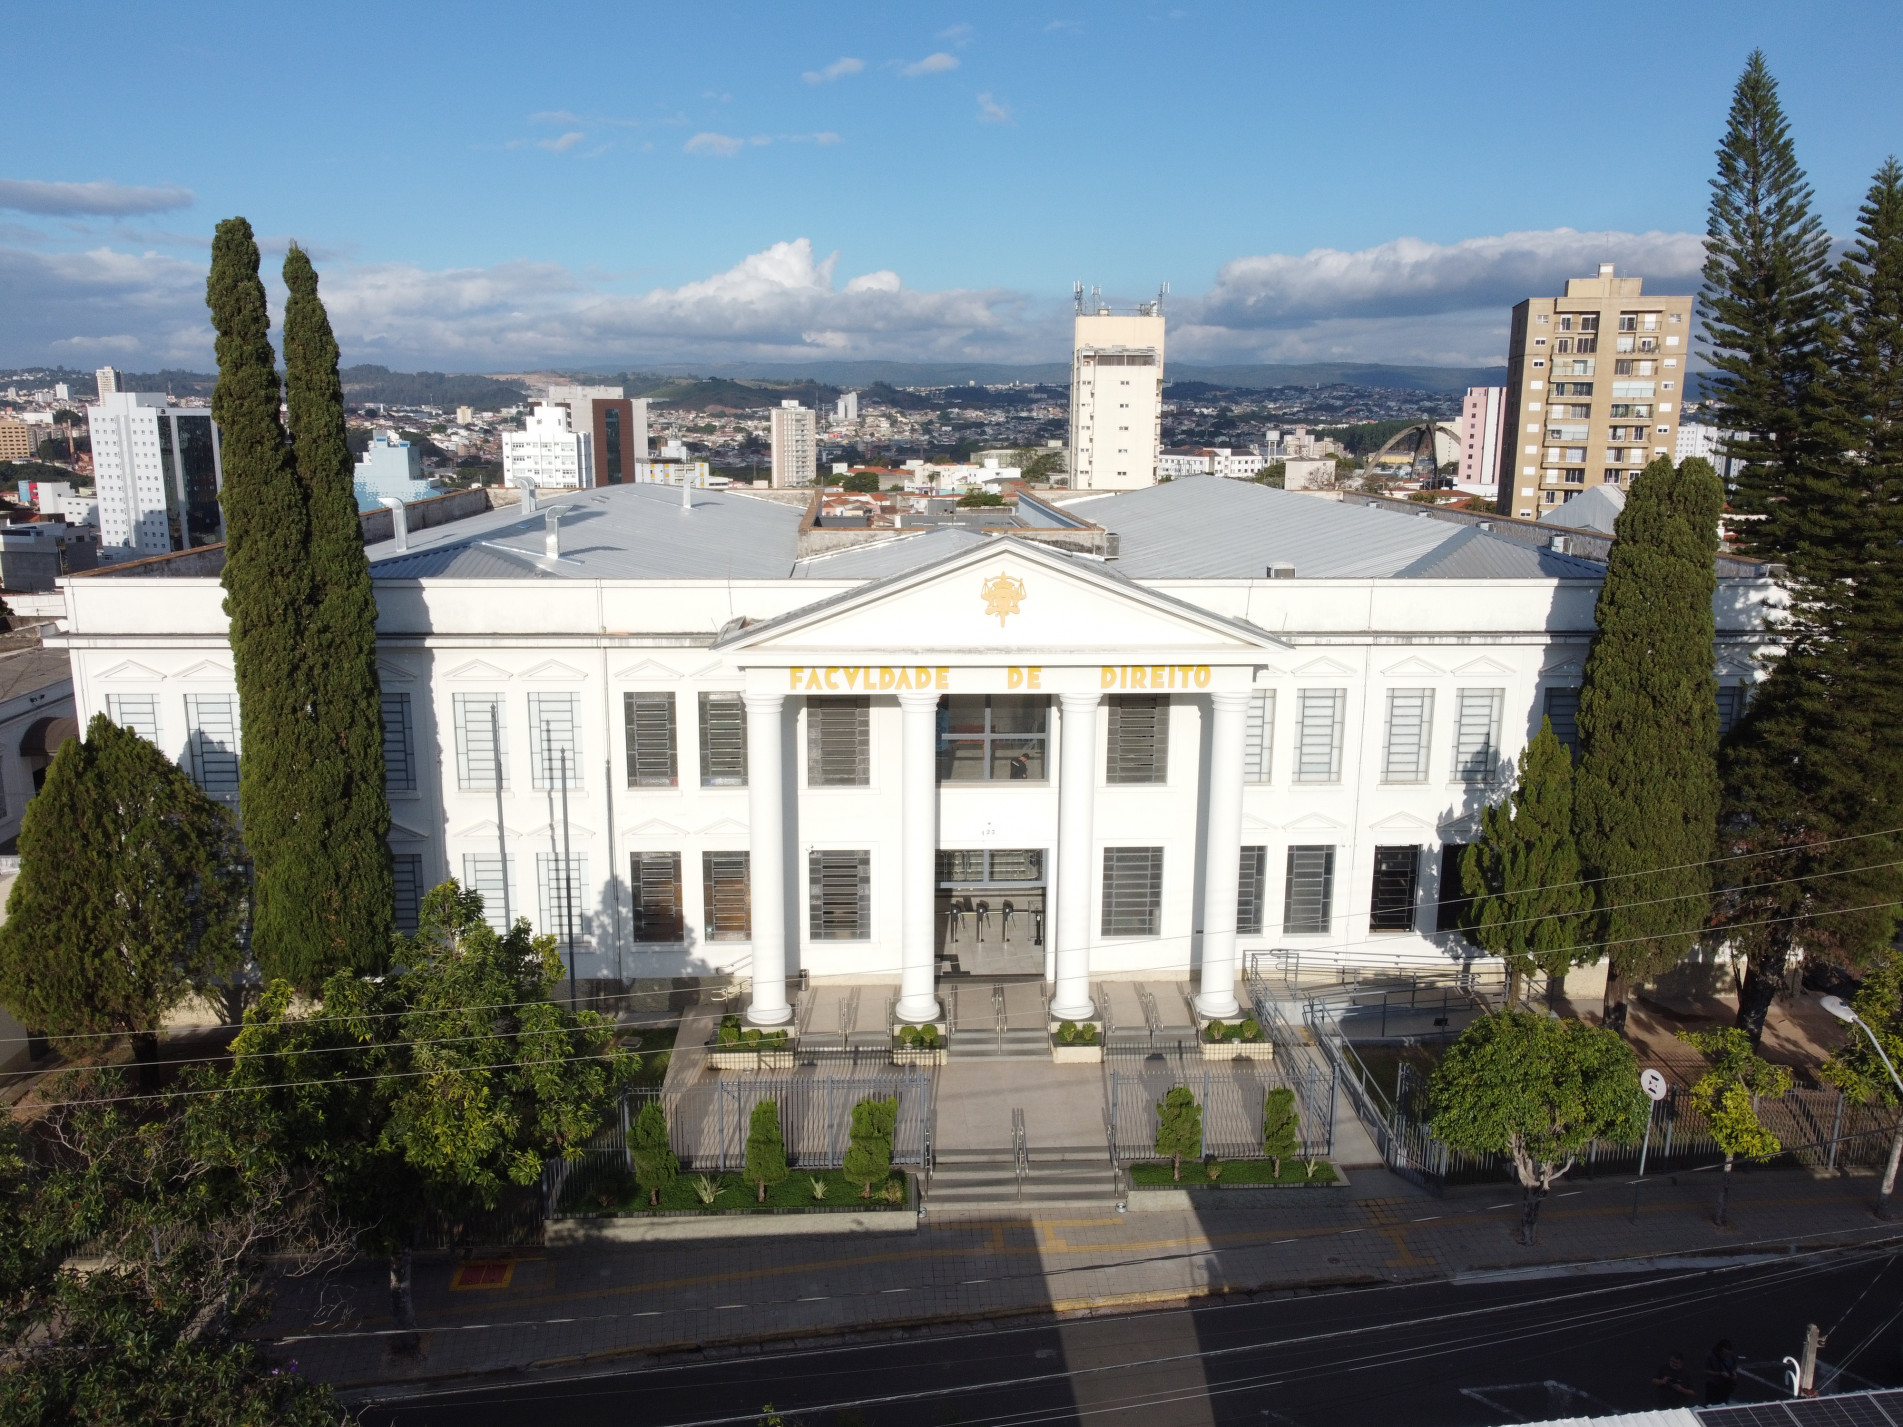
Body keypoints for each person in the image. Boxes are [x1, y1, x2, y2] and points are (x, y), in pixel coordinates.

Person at [1704, 1340, 1739, 1405]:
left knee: (1724, 1402)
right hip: (1714, 1385)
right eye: (1724, 1353)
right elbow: (1706, 1370)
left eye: (1728, 1353)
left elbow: (1734, 1366)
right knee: (1712, 1404)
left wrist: (1733, 1372)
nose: (1726, 1355)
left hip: (1726, 1384)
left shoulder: (1731, 1356)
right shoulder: (1711, 1356)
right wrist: (1720, 1373)